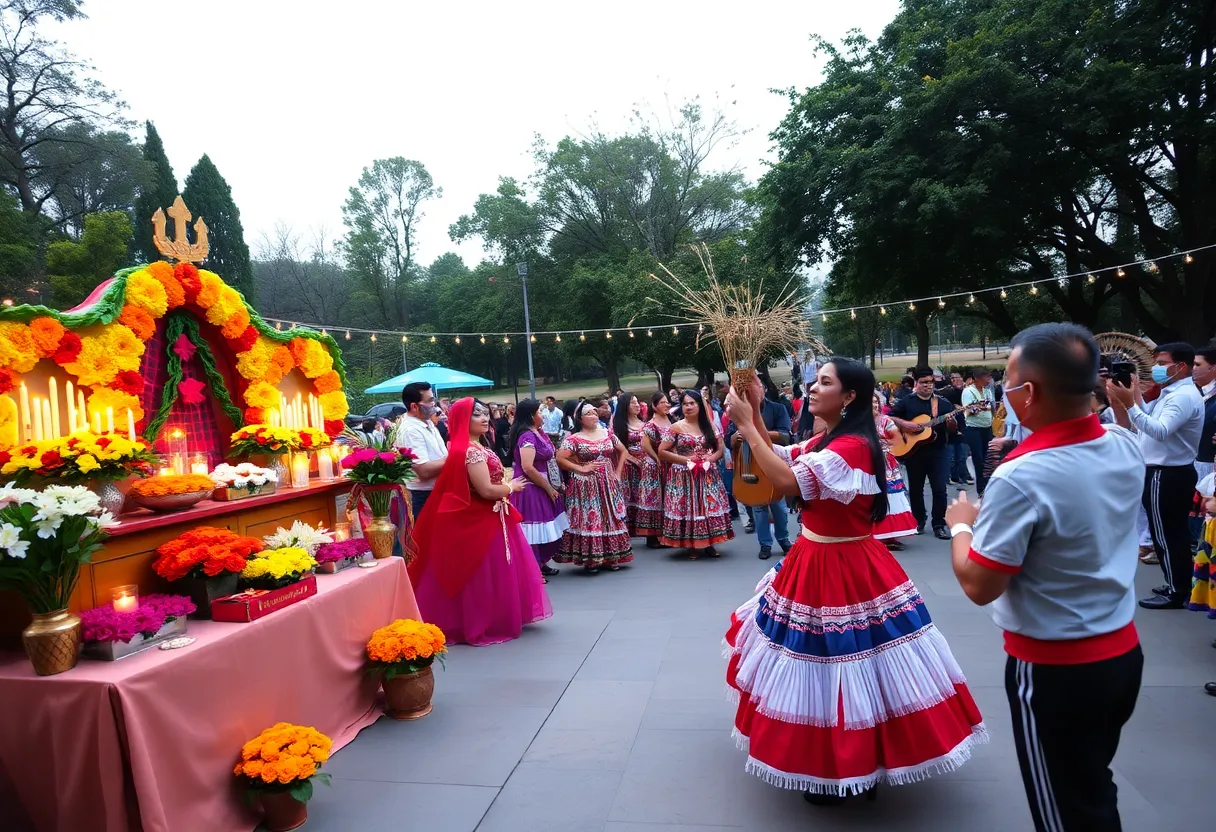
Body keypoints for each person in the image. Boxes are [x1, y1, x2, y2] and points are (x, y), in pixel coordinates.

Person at [724, 359, 985, 803]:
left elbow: (788, 482)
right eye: (814, 380)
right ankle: (832, 758)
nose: (812, 388)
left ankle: (853, 762)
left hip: (842, 562)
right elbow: (782, 460)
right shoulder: (832, 439)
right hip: (817, 555)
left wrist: (749, 426)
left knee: (846, 660)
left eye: (825, 382)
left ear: (849, 397)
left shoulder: (854, 447)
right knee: (827, 659)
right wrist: (755, 411)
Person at [948, 323, 1144, 831]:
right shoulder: (1124, 446)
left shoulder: (1023, 476)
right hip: (1122, 652)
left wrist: (962, 527)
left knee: (1065, 810)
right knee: (1091, 787)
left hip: (1057, 671)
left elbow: (979, 583)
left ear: (1028, 393)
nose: (1005, 394)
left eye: (1009, 383)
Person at [407, 399, 553, 645]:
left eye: (485, 414)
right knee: (485, 570)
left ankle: (492, 615)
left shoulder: (473, 446)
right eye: (477, 415)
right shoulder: (471, 451)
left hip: (492, 513)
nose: (485, 419)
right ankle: (485, 619)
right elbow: (485, 490)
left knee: (489, 569)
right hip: (484, 514)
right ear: (464, 420)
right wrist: (510, 486)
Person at [1107, 342, 1205, 609]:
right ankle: (1177, 583)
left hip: (1168, 472)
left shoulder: (1182, 396)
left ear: (1180, 366)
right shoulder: (1172, 392)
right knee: (1169, 533)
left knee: (1166, 535)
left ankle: (1176, 590)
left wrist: (1130, 405)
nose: (1158, 368)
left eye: (1162, 363)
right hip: (1166, 471)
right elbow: (1149, 418)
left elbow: (1159, 430)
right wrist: (1135, 396)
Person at [554, 400, 633, 573]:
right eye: (588, 414)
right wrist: (581, 468)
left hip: (607, 480)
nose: (593, 416)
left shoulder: (607, 433)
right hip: (586, 484)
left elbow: (623, 451)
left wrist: (617, 474)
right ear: (580, 419)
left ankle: (612, 556)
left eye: (595, 413)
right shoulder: (574, 438)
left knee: (610, 516)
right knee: (591, 516)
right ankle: (592, 558)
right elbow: (560, 458)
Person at [658, 390, 733, 557]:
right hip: (684, 474)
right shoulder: (676, 427)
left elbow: (720, 449)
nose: (689, 407)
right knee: (689, 508)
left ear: (699, 405)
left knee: (708, 506)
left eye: (692, 403)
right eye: (685, 404)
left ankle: (710, 542)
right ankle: (691, 543)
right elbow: (662, 452)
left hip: (707, 473)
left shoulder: (710, 426)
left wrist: (710, 459)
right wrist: (686, 460)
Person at [726, 380, 792, 559]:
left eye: (755, 388)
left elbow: (786, 436)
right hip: (749, 465)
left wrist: (753, 432)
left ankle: (784, 539)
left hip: (773, 462)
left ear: (762, 389)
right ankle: (765, 544)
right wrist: (735, 437)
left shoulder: (777, 408)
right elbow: (728, 441)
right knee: (758, 507)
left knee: (779, 505)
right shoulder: (738, 413)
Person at [890, 367, 956, 539]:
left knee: (940, 489)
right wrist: (905, 424)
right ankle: (919, 520)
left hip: (938, 451)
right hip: (914, 452)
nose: (927, 386)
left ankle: (939, 524)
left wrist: (951, 423)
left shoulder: (942, 404)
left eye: (930, 382)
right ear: (916, 383)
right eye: (923, 382)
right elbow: (889, 417)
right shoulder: (906, 402)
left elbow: (954, 429)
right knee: (916, 489)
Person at [509, 398, 568, 581]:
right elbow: (528, 467)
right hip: (532, 487)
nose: (542, 415)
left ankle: (540, 563)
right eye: (539, 412)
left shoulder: (538, 432)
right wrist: (548, 487)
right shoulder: (527, 436)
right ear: (531, 416)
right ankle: (532, 569)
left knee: (547, 525)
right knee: (534, 528)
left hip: (545, 483)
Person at [397, 381, 448, 520]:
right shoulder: (410, 430)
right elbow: (423, 470)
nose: (434, 404)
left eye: (434, 399)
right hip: (424, 495)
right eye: (430, 401)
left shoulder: (428, 422)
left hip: (437, 491)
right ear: (414, 406)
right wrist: (455, 458)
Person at [873, 392, 918, 549]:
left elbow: (898, 440)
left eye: (876, 402)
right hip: (867, 462)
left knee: (891, 496)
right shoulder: (860, 422)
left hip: (886, 464)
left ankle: (890, 534)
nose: (874, 405)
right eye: (871, 402)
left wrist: (883, 447)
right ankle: (876, 534)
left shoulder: (886, 421)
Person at [637, 391, 674, 548]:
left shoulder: (671, 421)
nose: (666, 405)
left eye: (667, 402)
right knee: (655, 498)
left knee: (668, 497)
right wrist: (657, 458)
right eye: (662, 403)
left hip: (669, 462)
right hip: (654, 465)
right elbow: (645, 445)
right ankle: (653, 536)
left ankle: (668, 533)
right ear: (654, 406)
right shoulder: (651, 424)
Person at [612, 393, 648, 536]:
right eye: (633, 403)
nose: (637, 405)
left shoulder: (645, 423)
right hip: (627, 464)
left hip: (645, 464)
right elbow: (616, 448)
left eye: (638, 402)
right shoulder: (619, 425)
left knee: (643, 494)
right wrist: (632, 459)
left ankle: (644, 524)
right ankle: (629, 525)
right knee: (629, 494)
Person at [961, 368, 997, 496]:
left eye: (989, 377)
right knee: (979, 458)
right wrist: (976, 409)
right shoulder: (968, 391)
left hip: (987, 427)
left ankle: (989, 484)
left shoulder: (987, 391)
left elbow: (991, 406)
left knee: (989, 458)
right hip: (974, 429)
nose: (989, 380)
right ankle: (981, 488)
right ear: (977, 378)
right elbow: (968, 409)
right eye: (986, 377)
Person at [942, 371, 972, 486]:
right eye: (954, 378)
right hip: (951, 427)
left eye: (959, 378)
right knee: (951, 456)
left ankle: (960, 475)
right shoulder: (947, 391)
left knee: (961, 455)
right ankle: (951, 476)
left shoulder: (966, 391)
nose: (956, 380)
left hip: (963, 427)